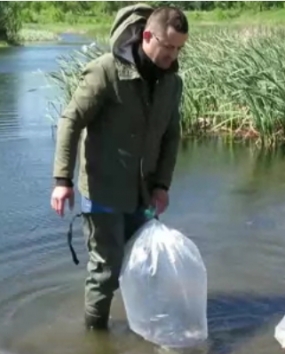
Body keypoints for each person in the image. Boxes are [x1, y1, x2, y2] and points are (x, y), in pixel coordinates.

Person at [50, 3, 189, 330]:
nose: (173, 55)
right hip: (103, 192)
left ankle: (144, 326)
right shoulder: (106, 72)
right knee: (105, 270)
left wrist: (162, 186)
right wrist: (62, 180)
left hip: (144, 195)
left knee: (143, 262)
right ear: (147, 36)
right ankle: (95, 339)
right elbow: (70, 120)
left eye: (179, 48)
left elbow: (171, 137)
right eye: (168, 46)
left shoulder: (172, 84)